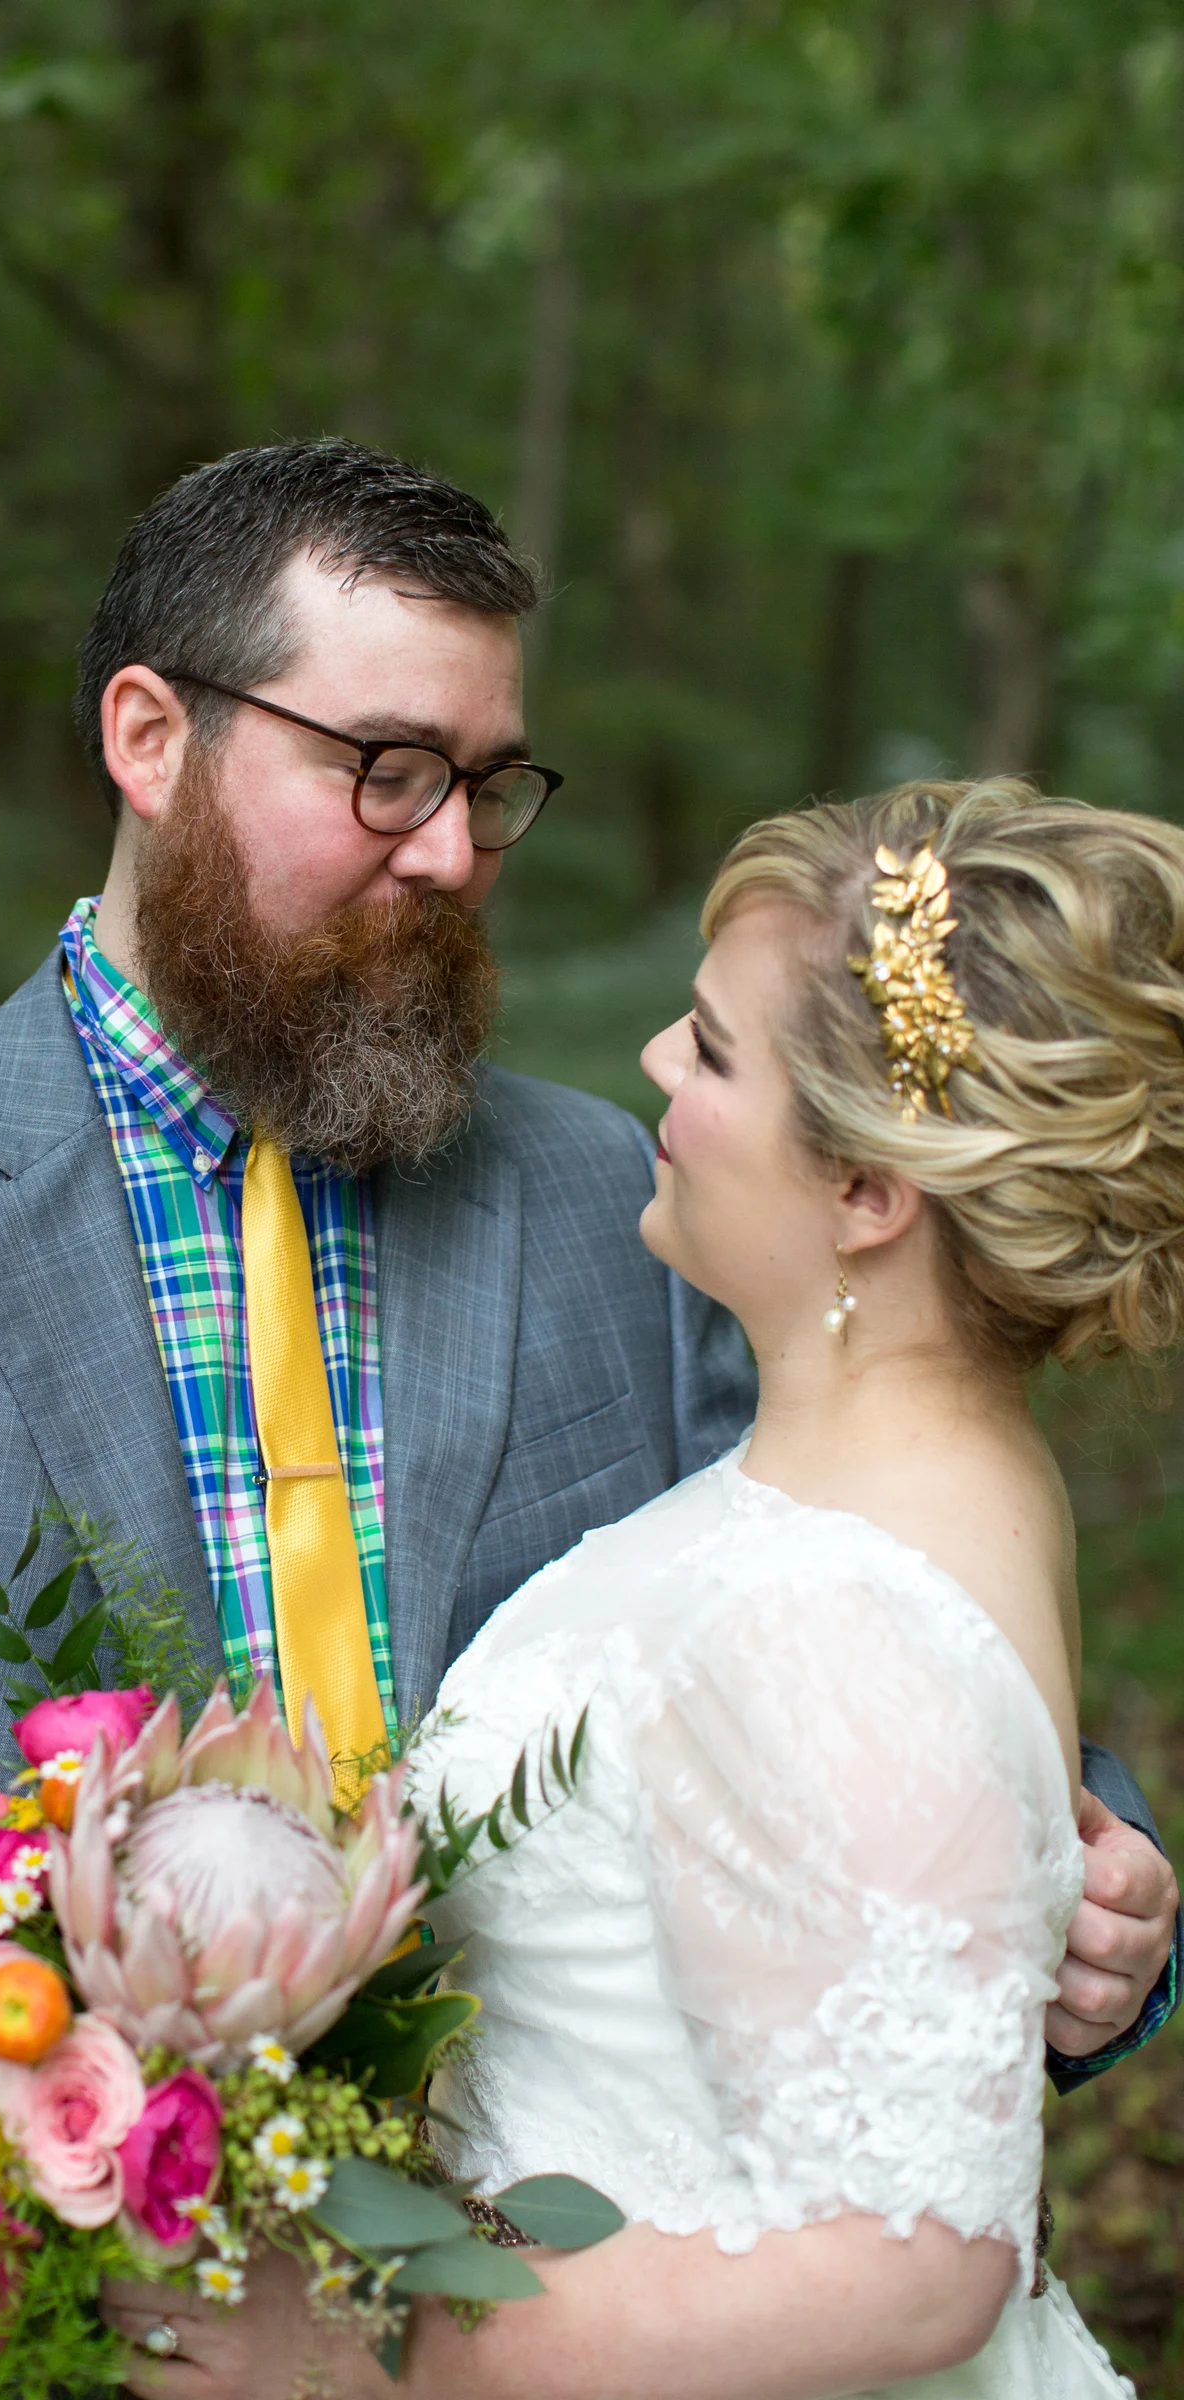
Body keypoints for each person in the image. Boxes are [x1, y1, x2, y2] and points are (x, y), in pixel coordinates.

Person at [0, 444, 1169, 2395]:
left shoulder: (631, 1202)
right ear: (149, 737)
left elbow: (840, 1639)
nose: (447, 850)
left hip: (540, 2315)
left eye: (489, 781)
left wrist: (1092, 1893)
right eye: (384, 767)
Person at [103, 778, 1184, 2400]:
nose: (658, 1067)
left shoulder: (819, 1605)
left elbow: (911, 2273)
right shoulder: (933, 1478)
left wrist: (363, 2347)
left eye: (715, 1047)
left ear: (869, 1195)